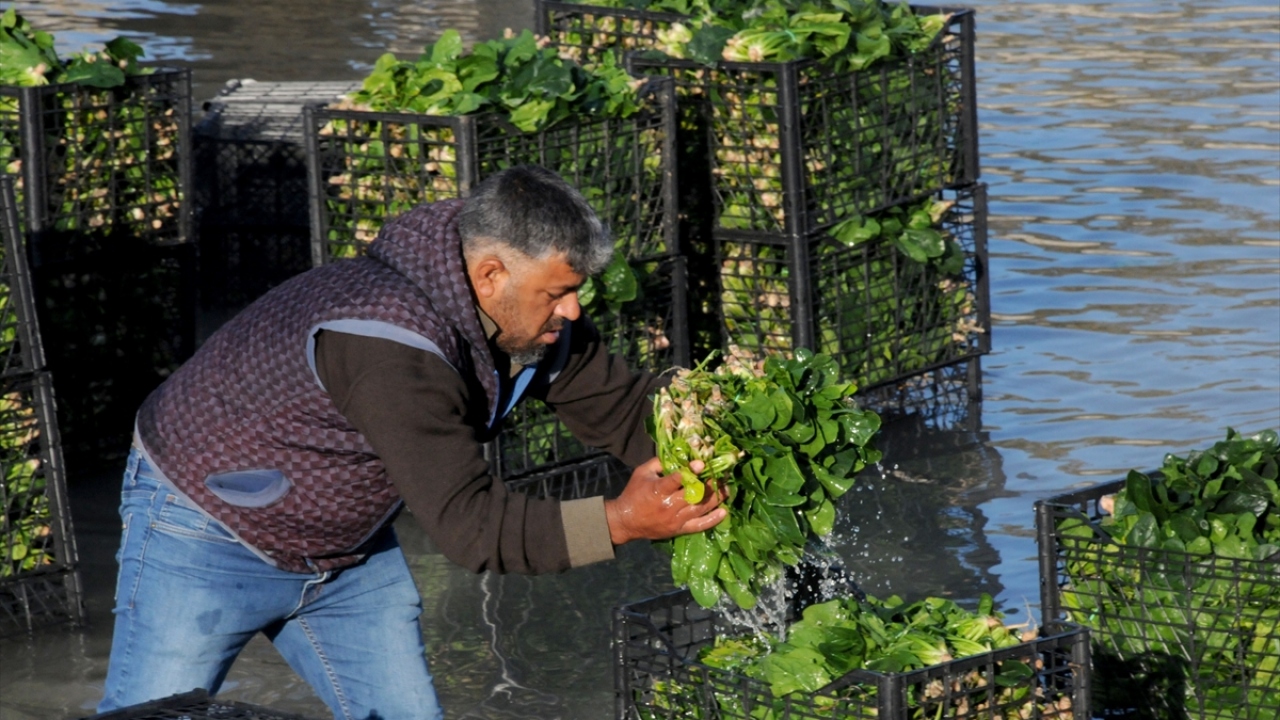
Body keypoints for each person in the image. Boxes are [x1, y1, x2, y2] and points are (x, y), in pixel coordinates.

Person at [96, 165, 726, 717]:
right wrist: (621, 520)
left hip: (346, 544)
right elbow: (473, 527)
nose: (571, 312)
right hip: (207, 528)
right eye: (558, 293)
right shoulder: (390, 348)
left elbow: (617, 406)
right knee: (151, 717)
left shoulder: (526, 316)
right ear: (490, 275)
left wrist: (710, 458)